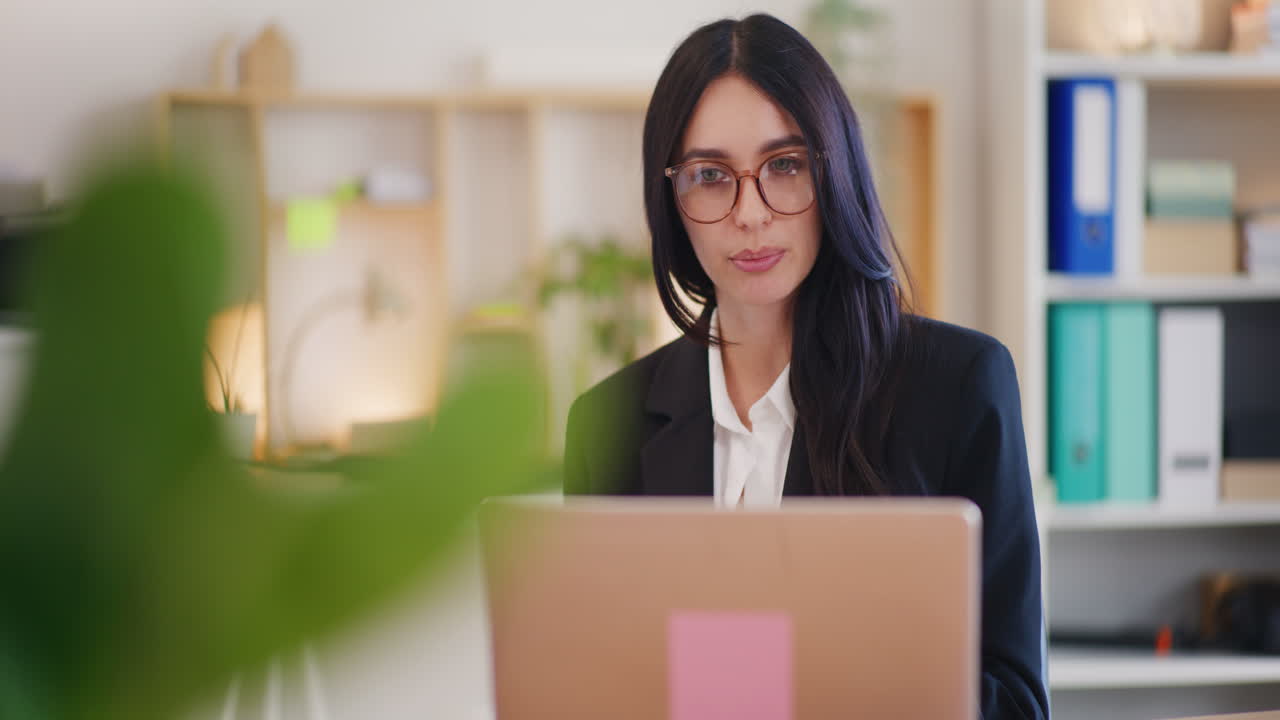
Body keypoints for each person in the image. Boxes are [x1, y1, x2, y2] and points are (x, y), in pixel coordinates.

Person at [562, 13, 1049, 720]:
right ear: (670, 198)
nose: (751, 213)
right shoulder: (609, 422)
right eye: (709, 175)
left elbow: (1015, 704)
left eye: (785, 166)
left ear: (835, 169)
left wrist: (801, 665)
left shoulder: (958, 388)